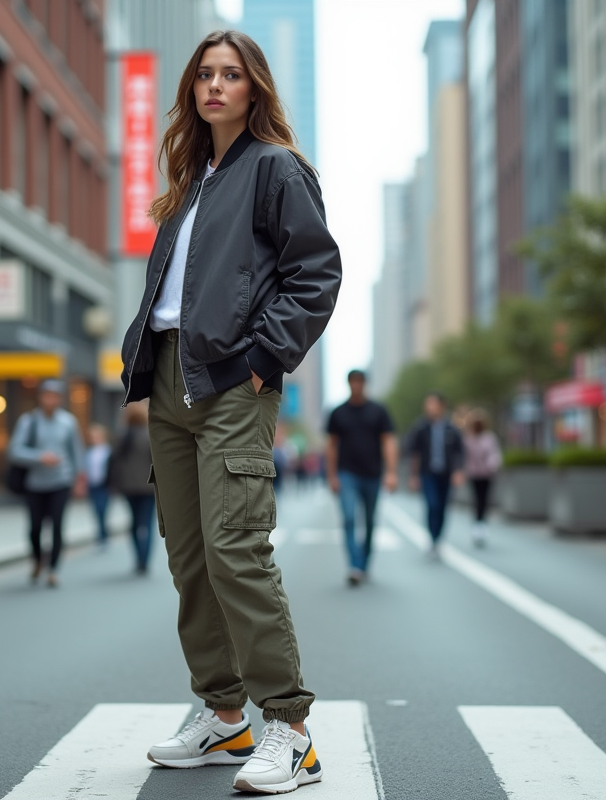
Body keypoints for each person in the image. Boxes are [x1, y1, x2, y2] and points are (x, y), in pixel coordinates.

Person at [118, 30, 341, 794]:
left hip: (233, 383)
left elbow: (316, 275)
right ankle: (223, 715)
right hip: (171, 382)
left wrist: (262, 359)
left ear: (255, 89)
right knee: (188, 557)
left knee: (236, 548)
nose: (216, 85)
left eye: (232, 75)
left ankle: (290, 728)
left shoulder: (275, 169)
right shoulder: (190, 181)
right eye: (205, 74)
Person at [7, 379, 85, 588]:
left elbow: (76, 452)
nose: (50, 400)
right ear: (40, 398)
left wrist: (79, 479)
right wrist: (39, 457)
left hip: (61, 481)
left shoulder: (68, 422)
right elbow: (14, 451)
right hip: (35, 483)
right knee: (35, 528)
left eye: (54, 396)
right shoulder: (28, 421)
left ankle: (53, 569)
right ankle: (37, 560)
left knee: (58, 526)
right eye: (46, 395)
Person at [325, 370, 397, 586]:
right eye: (353, 382)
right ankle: (355, 565)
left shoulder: (378, 411)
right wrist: (331, 476)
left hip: (373, 475)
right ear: (348, 384)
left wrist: (392, 472)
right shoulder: (338, 413)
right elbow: (330, 446)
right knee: (348, 517)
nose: (356, 385)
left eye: (360, 382)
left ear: (365, 384)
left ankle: (364, 563)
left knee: (369, 520)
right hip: (347, 474)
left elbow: (388, 442)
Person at [407, 393, 465, 557]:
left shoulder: (452, 428)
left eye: (433, 404)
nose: (429, 407)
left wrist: (458, 471)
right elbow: (414, 453)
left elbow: (459, 452)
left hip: (446, 474)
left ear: (442, 406)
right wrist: (413, 475)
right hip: (428, 473)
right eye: (427, 404)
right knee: (432, 505)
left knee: (443, 506)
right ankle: (432, 538)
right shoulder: (420, 427)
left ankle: (438, 538)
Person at [109, 402, 156, 575]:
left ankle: (138, 558)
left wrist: (114, 483)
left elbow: (114, 461)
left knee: (135, 523)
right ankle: (144, 559)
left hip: (128, 487)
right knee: (147, 523)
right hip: (149, 487)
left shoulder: (123, 436)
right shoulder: (150, 434)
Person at [463, 410, 502, 548]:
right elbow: (464, 456)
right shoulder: (468, 438)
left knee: (484, 500)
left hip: (486, 475)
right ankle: (476, 525)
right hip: (473, 475)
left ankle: (482, 525)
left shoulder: (489, 438)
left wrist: (492, 466)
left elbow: (494, 454)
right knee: (476, 500)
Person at [85, 424, 113, 548]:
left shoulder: (108, 451)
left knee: (103, 509)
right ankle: (101, 535)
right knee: (96, 510)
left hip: (104, 485)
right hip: (92, 484)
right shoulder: (88, 452)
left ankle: (104, 535)